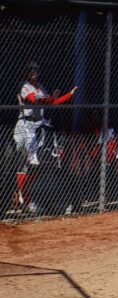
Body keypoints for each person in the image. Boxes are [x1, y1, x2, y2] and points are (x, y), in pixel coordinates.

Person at [13, 61, 77, 212]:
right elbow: (33, 100)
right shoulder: (24, 86)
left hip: (38, 127)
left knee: (41, 164)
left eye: (36, 69)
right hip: (25, 126)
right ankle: (25, 199)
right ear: (25, 72)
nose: (34, 71)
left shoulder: (40, 87)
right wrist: (50, 99)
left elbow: (52, 103)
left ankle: (33, 198)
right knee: (27, 164)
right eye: (31, 69)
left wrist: (69, 94)